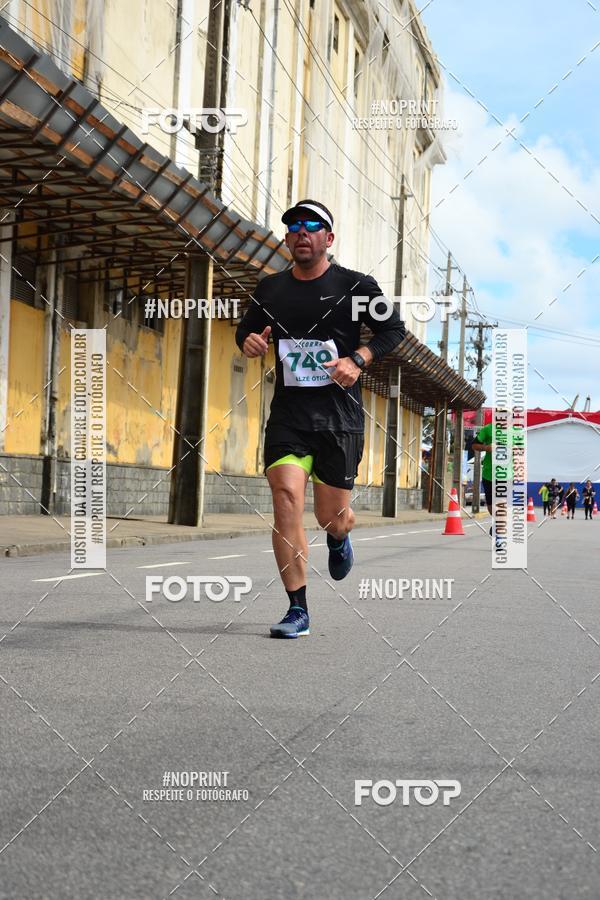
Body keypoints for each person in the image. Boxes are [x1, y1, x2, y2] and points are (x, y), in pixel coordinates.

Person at [235, 199, 405, 638]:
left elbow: (393, 330)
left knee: (332, 515)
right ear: (287, 237)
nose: (301, 232)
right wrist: (250, 342)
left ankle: (338, 536)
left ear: (328, 238)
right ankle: (297, 609)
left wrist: (359, 359)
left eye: (312, 226)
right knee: (286, 499)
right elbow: (246, 330)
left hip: (339, 419)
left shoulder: (357, 286)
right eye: (293, 226)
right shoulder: (270, 288)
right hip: (289, 417)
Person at [471, 417, 524, 545]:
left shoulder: (517, 432)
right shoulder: (488, 429)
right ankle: (498, 524)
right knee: (491, 507)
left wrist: (515, 450)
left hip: (506, 476)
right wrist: (486, 448)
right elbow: (474, 445)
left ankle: (500, 537)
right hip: (489, 475)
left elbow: (521, 450)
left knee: (501, 504)